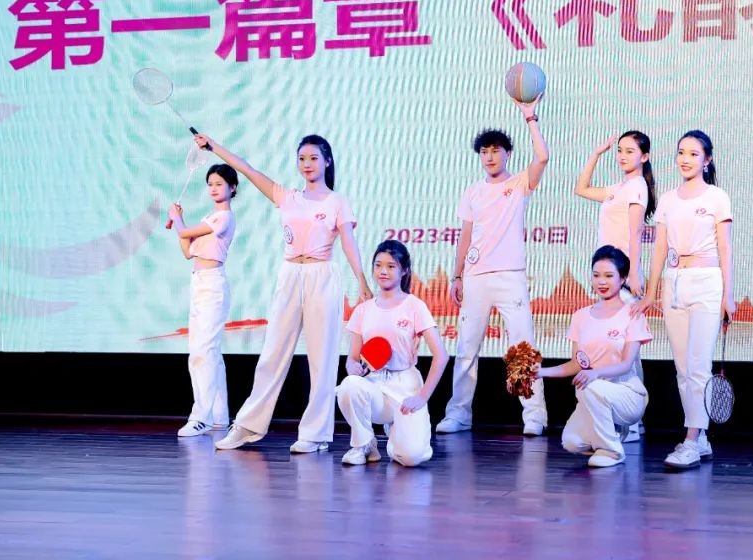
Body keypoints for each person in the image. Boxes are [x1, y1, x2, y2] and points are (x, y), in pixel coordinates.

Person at [197, 133, 373, 453]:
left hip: (322, 275)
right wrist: (213, 147)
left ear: (327, 161)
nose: (307, 164)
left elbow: (348, 241)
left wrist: (361, 280)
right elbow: (247, 169)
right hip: (290, 273)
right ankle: (247, 425)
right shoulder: (287, 196)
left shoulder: (337, 201)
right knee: (272, 353)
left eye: (314, 158)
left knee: (322, 359)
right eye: (302, 159)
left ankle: (315, 434)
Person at [436, 93, 549, 436]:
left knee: (522, 347)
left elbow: (543, 157)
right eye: (484, 151)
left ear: (507, 153)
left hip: (510, 277)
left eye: (496, 150)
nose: (489, 157)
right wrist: (457, 276)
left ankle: (534, 416)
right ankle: (459, 413)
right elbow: (465, 235)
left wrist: (530, 118)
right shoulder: (472, 192)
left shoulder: (518, 184)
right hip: (475, 278)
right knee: (466, 347)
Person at [635, 130, 735, 470]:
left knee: (698, 365)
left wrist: (729, 295)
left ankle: (691, 439)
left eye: (693, 154)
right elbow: (660, 249)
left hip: (708, 283)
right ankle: (700, 436)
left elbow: (725, 248)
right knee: (682, 368)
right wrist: (651, 292)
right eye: (681, 152)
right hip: (675, 282)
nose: (685, 159)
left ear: (707, 160)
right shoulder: (667, 200)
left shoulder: (717, 197)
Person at [573, 130, 657, 442]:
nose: (622, 156)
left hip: (623, 276)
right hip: (610, 273)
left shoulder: (637, 187)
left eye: (630, 151)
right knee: (622, 348)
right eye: (620, 150)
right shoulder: (618, 188)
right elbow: (581, 188)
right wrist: (596, 154)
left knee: (628, 350)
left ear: (644, 156)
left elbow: (634, 234)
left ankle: (632, 421)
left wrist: (633, 273)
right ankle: (627, 421)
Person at [536, 246, 650, 468]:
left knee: (589, 386)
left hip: (627, 394)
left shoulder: (632, 314)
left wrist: (595, 373)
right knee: (571, 442)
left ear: (622, 278)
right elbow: (576, 364)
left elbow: (626, 364)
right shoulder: (581, 316)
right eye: (596, 275)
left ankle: (612, 451)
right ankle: (611, 432)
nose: (601, 281)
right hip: (594, 394)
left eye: (609, 275)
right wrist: (540, 372)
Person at [336, 240, 448, 466]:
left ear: (404, 270)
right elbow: (352, 358)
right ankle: (364, 444)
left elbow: (441, 355)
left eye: (391, 266)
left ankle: (396, 432)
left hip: (405, 385)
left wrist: (422, 397)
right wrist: (352, 367)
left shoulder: (415, 306)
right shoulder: (363, 309)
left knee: (411, 457)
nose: (383, 271)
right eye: (378, 265)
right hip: (374, 383)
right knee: (348, 386)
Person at [167, 162, 239, 437]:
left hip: (212, 285)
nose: (213, 188)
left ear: (232, 188)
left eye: (219, 184)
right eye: (210, 184)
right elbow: (188, 250)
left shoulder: (223, 217)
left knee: (203, 352)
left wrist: (178, 219)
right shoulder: (210, 218)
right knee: (206, 352)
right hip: (198, 284)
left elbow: (185, 233)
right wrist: (178, 221)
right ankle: (218, 416)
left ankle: (202, 417)